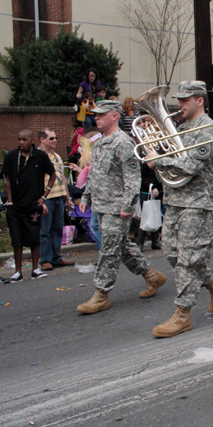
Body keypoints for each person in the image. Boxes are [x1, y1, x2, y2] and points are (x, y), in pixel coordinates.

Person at [146, 81, 213, 338]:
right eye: (179, 99)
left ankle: (182, 314)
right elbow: (173, 163)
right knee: (173, 254)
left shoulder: (210, 130)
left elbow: (192, 164)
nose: (179, 104)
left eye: (185, 100)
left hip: (198, 203)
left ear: (199, 101)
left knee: (187, 259)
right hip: (174, 200)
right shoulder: (181, 128)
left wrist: (158, 159)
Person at [75, 100, 168, 314]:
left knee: (109, 250)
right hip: (102, 206)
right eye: (95, 115)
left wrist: (128, 204)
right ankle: (152, 276)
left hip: (117, 208)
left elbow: (133, 177)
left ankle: (101, 293)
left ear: (114, 116)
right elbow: (95, 175)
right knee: (122, 247)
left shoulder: (123, 142)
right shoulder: (99, 144)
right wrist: (86, 197)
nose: (96, 118)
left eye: (101, 114)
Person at [1, 129, 56, 281]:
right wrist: (10, 201)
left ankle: (35, 269)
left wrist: (44, 196)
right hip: (15, 205)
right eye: (19, 139)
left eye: (24, 140)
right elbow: (8, 179)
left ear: (32, 140)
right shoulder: (12, 156)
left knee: (34, 237)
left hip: (33, 205)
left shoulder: (40, 156)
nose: (21, 143)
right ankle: (18, 271)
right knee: (16, 239)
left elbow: (52, 175)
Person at [37, 129, 76, 271]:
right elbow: (35, 181)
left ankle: (55, 257)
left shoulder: (56, 156)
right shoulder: (38, 156)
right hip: (46, 198)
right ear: (42, 139)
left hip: (59, 197)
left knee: (57, 229)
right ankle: (46, 260)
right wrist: (40, 200)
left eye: (56, 138)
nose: (55, 140)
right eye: (51, 138)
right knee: (45, 230)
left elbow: (63, 179)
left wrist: (68, 198)